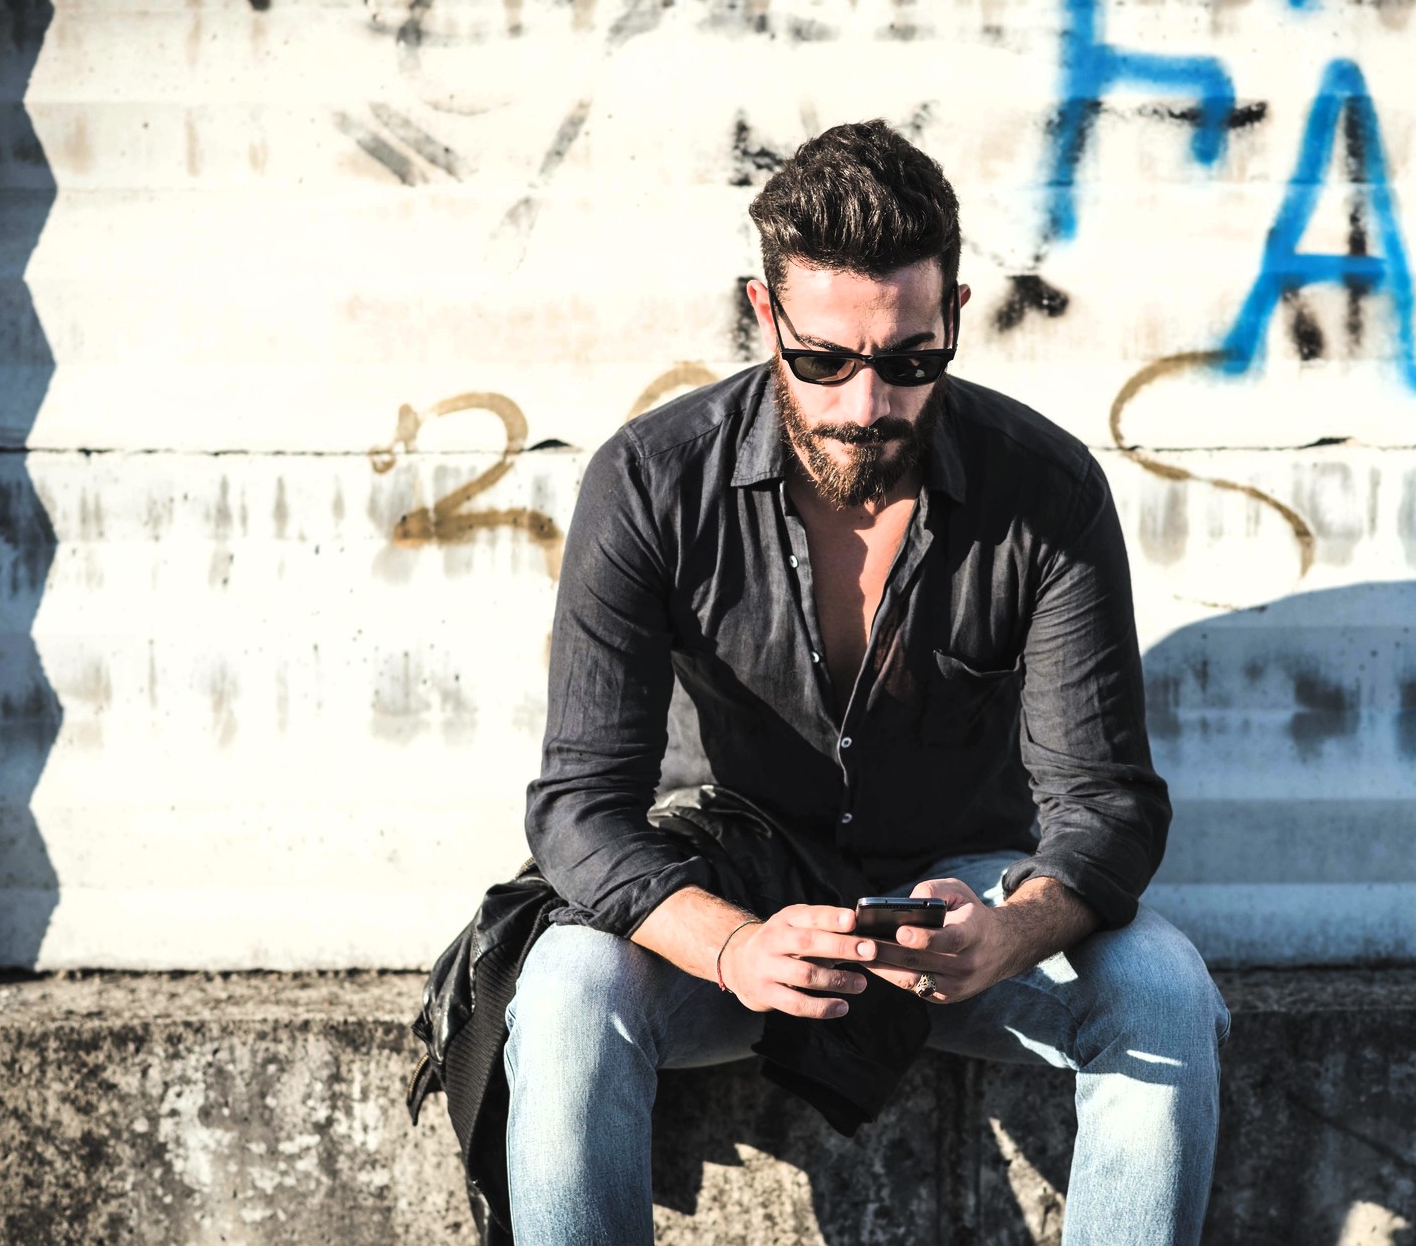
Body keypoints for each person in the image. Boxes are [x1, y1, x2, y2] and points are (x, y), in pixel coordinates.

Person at [503, 119, 1229, 1243]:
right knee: (562, 995)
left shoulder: (1044, 488)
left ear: (953, 317)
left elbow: (1108, 805)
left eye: (907, 362)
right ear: (764, 316)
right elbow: (577, 809)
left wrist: (1011, 932)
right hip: (733, 891)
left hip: (962, 902)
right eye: (822, 361)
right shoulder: (650, 481)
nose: (864, 404)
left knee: (1166, 989)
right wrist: (732, 945)